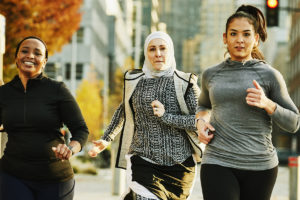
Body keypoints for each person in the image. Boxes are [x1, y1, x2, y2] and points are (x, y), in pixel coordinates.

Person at [196, 4, 300, 200]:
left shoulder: (270, 75)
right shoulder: (211, 74)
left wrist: (267, 104)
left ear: (256, 39)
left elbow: (294, 123)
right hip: (218, 160)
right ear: (225, 38)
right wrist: (201, 122)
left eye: (246, 34)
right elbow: (203, 106)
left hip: (260, 166)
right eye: (233, 34)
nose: (240, 40)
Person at [89, 31, 202, 200]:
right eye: (152, 49)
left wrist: (167, 116)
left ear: (170, 51)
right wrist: (106, 138)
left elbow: (199, 121)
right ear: (146, 53)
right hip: (143, 160)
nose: (157, 54)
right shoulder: (136, 82)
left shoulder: (185, 83)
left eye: (162, 48)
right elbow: (123, 111)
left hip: (180, 168)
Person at [0, 36, 89, 200]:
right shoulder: (4, 93)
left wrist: (70, 149)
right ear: (16, 58)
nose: (30, 56)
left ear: (45, 61)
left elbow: (81, 130)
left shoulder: (57, 90)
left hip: (55, 179)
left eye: (37, 53)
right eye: (24, 51)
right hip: (13, 176)